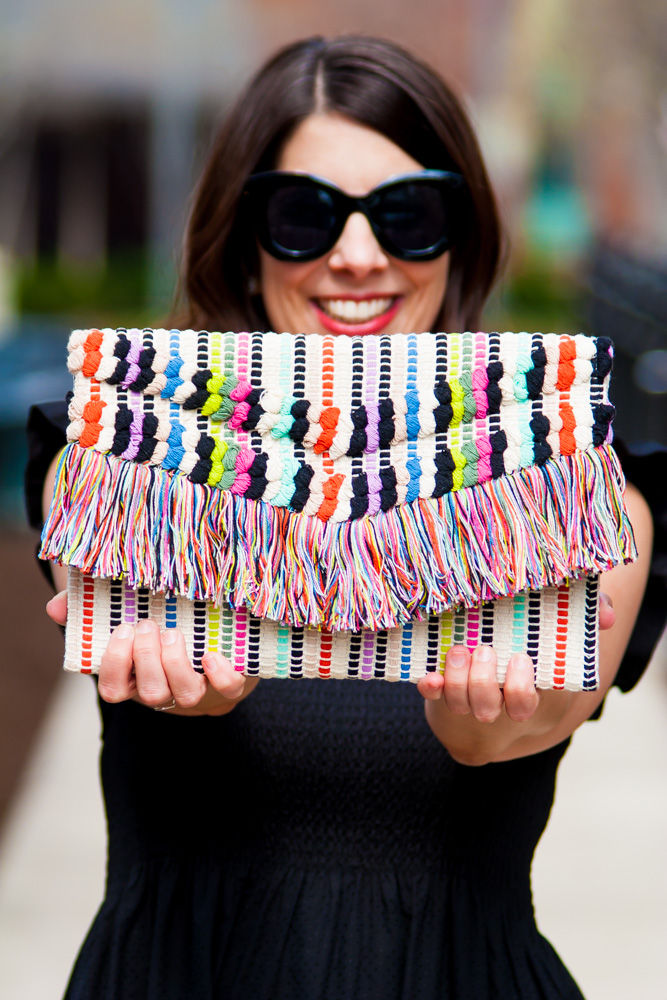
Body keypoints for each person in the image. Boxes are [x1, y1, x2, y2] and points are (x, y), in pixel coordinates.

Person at [27, 34, 658, 1000]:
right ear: (241, 240)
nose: (356, 256)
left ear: (464, 233)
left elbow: (547, 715)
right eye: (300, 215)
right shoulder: (118, 456)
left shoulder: (583, 491)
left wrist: (486, 725)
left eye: (407, 216)